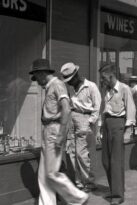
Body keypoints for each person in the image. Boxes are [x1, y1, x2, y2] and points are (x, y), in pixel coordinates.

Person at [29, 59, 88, 205]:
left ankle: (78, 197)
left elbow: (66, 109)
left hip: (54, 129)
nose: (36, 81)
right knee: (44, 175)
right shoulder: (51, 86)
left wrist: (61, 134)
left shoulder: (57, 85)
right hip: (49, 129)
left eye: (36, 77)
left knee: (51, 173)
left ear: (42, 73)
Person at [60, 62, 101, 192]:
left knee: (81, 154)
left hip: (84, 118)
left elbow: (97, 107)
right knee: (71, 151)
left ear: (76, 75)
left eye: (70, 79)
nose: (69, 82)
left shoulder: (91, 87)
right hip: (72, 118)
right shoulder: (71, 88)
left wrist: (90, 121)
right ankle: (79, 182)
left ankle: (89, 181)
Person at [99, 63, 136, 204]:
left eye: (103, 77)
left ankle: (117, 196)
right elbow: (104, 109)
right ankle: (114, 189)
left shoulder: (124, 89)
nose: (102, 80)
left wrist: (128, 131)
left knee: (116, 161)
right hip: (107, 124)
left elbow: (131, 110)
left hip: (118, 124)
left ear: (111, 75)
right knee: (106, 161)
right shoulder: (106, 90)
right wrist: (101, 127)